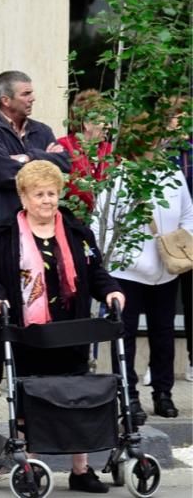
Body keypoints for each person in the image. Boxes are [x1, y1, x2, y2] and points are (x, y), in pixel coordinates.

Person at [0, 160, 126, 494]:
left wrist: (111, 288)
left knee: (75, 396)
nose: (47, 200)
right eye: (39, 194)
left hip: (71, 330)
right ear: (23, 197)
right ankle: (31, 465)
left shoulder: (75, 230)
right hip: (28, 332)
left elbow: (94, 270)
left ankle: (81, 471)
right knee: (32, 399)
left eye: (52, 193)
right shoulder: (1, 233)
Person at [0, 71, 69, 398]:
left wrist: (27, 158)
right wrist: (43, 159)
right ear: (6, 100)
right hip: (2, 226)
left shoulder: (41, 129)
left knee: (39, 291)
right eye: (26, 94)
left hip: (41, 227)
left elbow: (63, 165)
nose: (32, 98)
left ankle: (35, 369)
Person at [95, 141, 193, 423]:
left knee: (162, 333)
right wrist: (123, 259)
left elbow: (188, 216)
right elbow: (103, 223)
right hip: (126, 273)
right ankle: (128, 396)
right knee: (124, 335)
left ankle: (164, 393)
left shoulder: (173, 175)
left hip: (166, 270)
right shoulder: (121, 177)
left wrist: (176, 245)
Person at [56, 89, 113, 212]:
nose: (109, 126)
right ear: (87, 123)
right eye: (105, 121)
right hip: (72, 221)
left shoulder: (109, 150)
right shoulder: (63, 147)